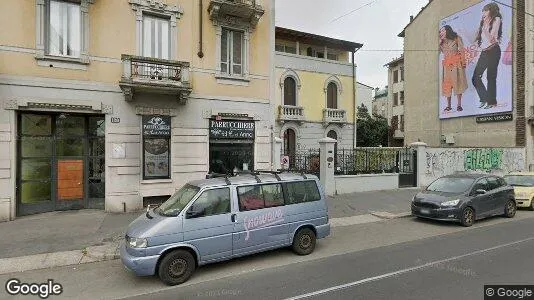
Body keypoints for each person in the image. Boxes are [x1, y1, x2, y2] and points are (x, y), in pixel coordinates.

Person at [472, 2, 503, 109]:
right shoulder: (483, 22)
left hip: (494, 50)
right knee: (475, 77)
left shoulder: (496, 19)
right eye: (483, 11)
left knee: (491, 77)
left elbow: (491, 39)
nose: (483, 12)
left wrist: (485, 26)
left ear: (491, 10)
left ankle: (492, 102)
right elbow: (475, 39)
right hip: (484, 52)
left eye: (486, 10)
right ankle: (484, 98)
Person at [439, 25, 468, 112]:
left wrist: (463, 63)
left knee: (457, 83)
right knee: (447, 85)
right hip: (447, 66)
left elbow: (462, 50)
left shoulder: (456, 38)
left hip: (456, 64)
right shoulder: (441, 43)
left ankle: (459, 105)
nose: (441, 33)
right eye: (440, 31)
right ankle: (448, 105)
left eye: (442, 30)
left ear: (447, 31)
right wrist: (439, 42)